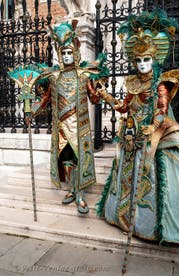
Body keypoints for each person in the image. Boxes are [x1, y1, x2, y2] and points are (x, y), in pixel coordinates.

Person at [96, 8, 179, 244]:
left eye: (147, 60)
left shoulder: (160, 85)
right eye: (139, 60)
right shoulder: (132, 82)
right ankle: (124, 217)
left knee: (149, 179)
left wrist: (151, 128)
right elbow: (123, 107)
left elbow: (162, 113)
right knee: (126, 177)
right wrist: (104, 95)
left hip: (152, 141)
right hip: (130, 138)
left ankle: (144, 224)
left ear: (154, 60)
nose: (142, 64)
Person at [31, 20, 108, 214]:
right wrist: (31, 112)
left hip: (79, 128)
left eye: (69, 52)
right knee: (66, 160)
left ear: (75, 52)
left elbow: (94, 99)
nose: (66, 56)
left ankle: (80, 195)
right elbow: (45, 100)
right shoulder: (53, 77)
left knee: (80, 159)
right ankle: (72, 190)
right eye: (63, 53)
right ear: (59, 54)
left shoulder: (84, 75)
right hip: (62, 128)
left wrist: (99, 92)